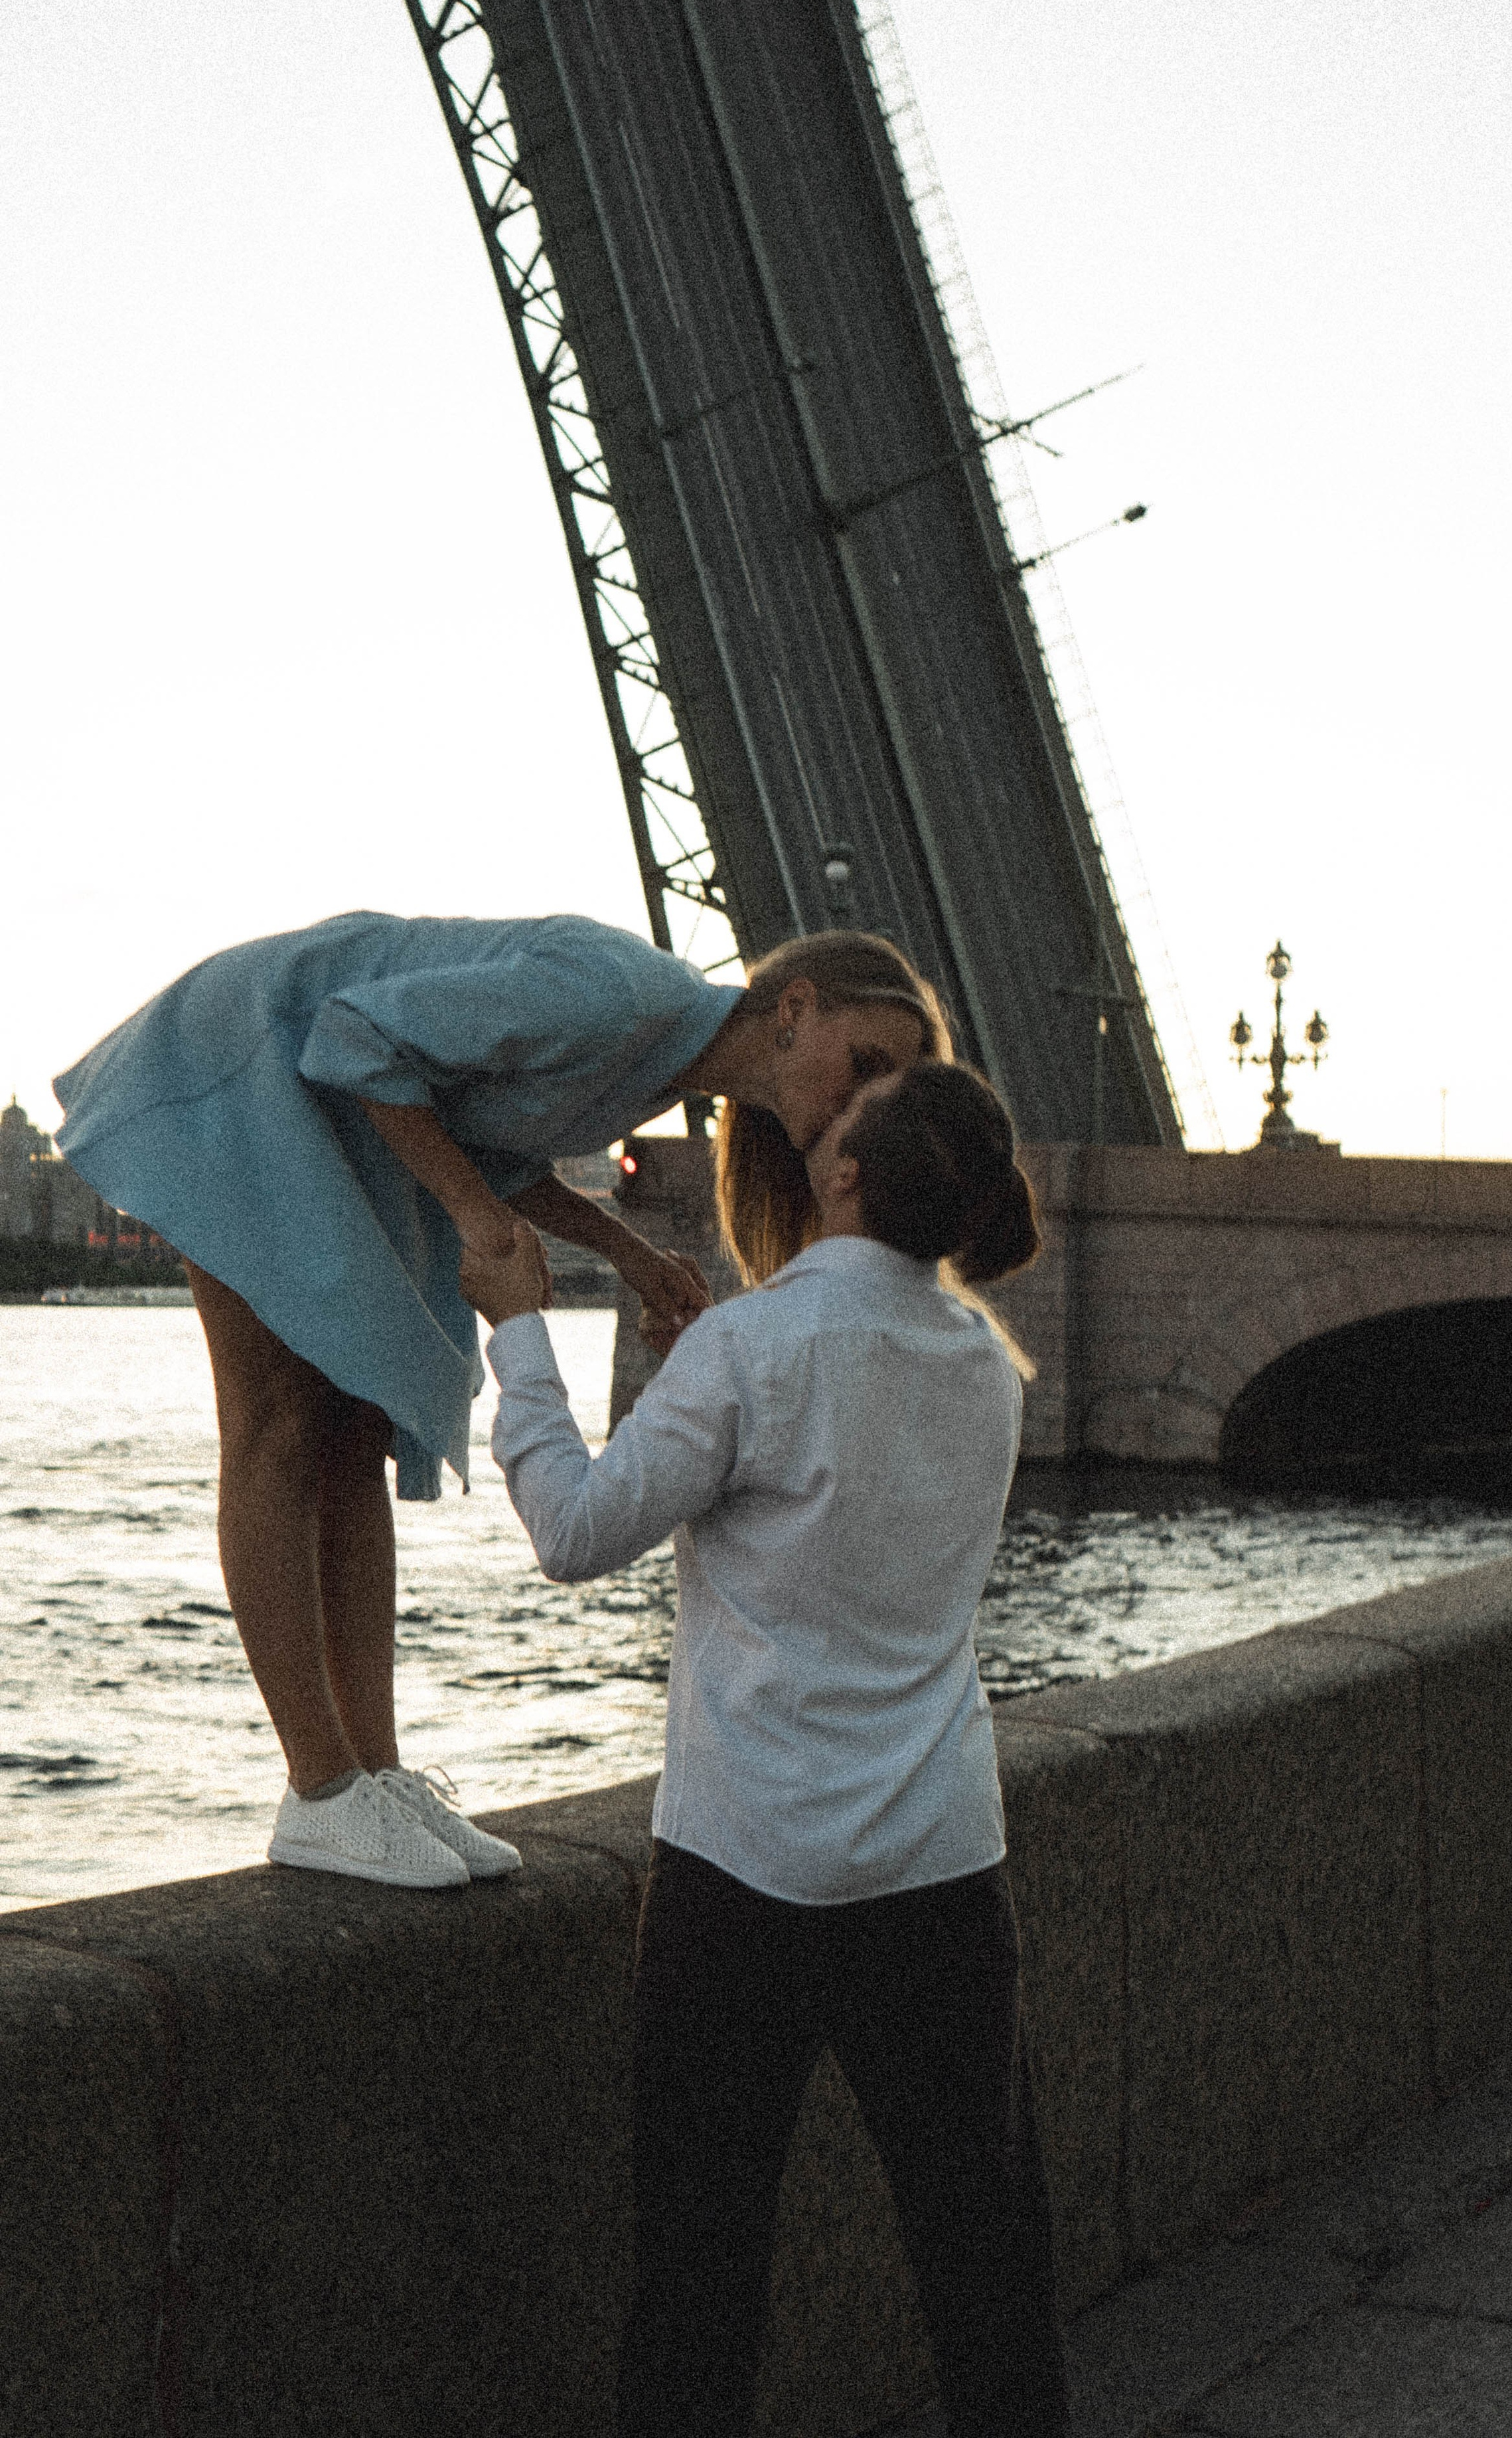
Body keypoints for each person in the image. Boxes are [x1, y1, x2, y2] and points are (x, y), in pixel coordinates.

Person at [52, 913, 946, 1888]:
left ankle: (372, 1781)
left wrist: (628, 1254)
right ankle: (318, 1790)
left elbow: (487, 1140)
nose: (861, 1104)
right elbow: (353, 1040)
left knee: (354, 1431)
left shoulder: (653, 1060)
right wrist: (475, 1219)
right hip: (248, 1062)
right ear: (796, 1009)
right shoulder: (622, 999)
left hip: (323, 1104)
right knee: (278, 1426)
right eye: (862, 1063)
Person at [463, 1059, 1069, 2437]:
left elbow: (574, 1529)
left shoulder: (753, 1346)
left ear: (843, 1175)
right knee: (983, 2263)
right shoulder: (986, 1365)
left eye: (839, 1120)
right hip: (936, 1860)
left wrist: (517, 1336)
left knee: (697, 2267)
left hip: (744, 1869)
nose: (816, 1125)